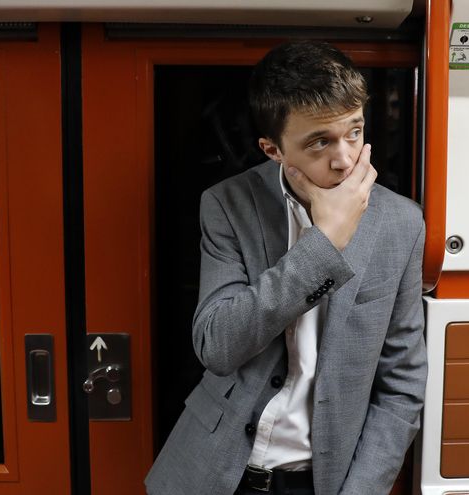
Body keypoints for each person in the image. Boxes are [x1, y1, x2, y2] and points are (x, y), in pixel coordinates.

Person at [145, 41, 427, 495]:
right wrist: (324, 244)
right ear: (273, 149)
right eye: (320, 141)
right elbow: (217, 346)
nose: (345, 158)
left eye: (354, 132)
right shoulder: (228, 204)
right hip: (218, 471)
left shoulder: (401, 223)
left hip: (323, 481)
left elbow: (403, 384)